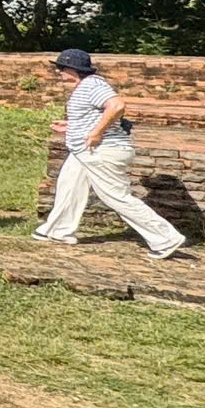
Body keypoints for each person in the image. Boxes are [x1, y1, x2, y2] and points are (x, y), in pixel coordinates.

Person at [32, 48, 187, 257]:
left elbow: (116, 106)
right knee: (69, 185)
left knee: (115, 196)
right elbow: (96, 114)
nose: (59, 72)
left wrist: (96, 133)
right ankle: (59, 230)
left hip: (102, 150)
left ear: (72, 69)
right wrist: (72, 126)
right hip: (84, 150)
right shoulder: (85, 87)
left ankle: (165, 238)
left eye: (61, 68)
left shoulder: (92, 85)